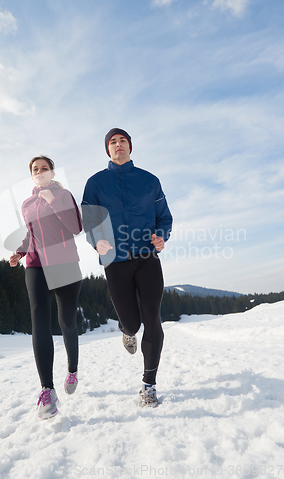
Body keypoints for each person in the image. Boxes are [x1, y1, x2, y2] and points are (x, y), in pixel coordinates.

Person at [82, 128, 172, 407]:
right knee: (132, 323)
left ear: (130, 147)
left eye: (122, 141)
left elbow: (164, 217)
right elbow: (89, 220)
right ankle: (126, 330)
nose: (118, 145)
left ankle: (149, 384)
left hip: (147, 258)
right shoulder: (96, 183)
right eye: (113, 142)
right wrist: (97, 242)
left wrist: (161, 235)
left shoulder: (149, 180)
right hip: (116, 261)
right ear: (107, 149)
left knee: (152, 319)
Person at [9, 155, 82, 419]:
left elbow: (75, 227)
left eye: (44, 168)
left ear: (52, 172)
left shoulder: (63, 196)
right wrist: (20, 251)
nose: (39, 172)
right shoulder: (27, 203)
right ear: (31, 175)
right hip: (36, 264)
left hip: (64, 264)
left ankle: (72, 369)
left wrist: (53, 202)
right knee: (39, 320)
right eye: (35, 169)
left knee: (67, 323)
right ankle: (47, 391)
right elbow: (31, 234)